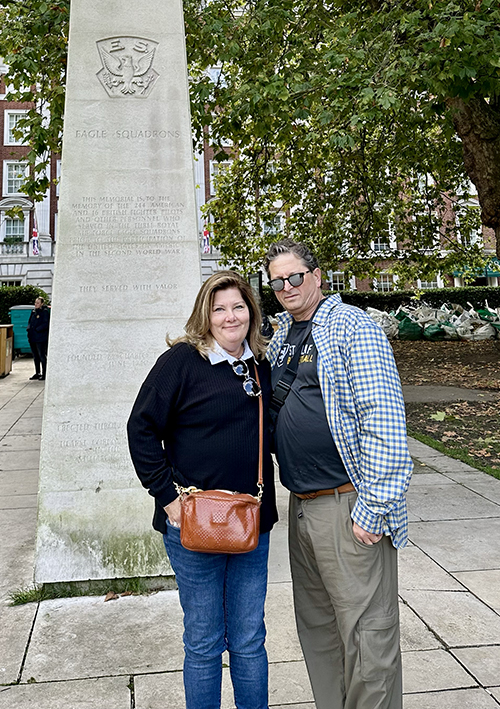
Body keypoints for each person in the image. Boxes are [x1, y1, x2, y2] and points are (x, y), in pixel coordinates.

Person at [263, 238, 413, 709]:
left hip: (348, 504)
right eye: (277, 281)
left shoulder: (351, 327)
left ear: (317, 275)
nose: (286, 286)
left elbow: (384, 419)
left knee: (368, 637)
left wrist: (372, 509)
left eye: (294, 277)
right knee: (320, 630)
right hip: (302, 506)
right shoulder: (282, 335)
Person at [127, 271, 278, 709]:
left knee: (250, 638)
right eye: (219, 308)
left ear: (251, 311)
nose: (230, 316)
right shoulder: (180, 362)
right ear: (205, 315)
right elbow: (141, 428)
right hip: (192, 523)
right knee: (204, 640)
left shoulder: (260, 364)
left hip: (252, 521)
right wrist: (167, 496)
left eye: (238, 306)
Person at [27, 296, 50, 380]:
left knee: (42, 356)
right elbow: (30, 321)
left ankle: (45, 373)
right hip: (32, 337)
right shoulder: (33, 312)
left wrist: (37, 329)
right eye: (35, 303)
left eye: (38, 303)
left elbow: (46, 324)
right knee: (35, 356)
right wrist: (29, 328)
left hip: (40, 338)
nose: (35, 304)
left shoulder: (44, 312)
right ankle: (37, 372)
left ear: (42, 304)